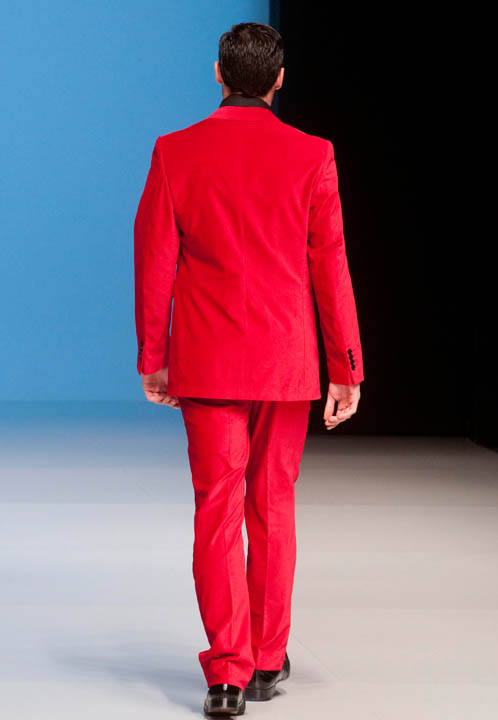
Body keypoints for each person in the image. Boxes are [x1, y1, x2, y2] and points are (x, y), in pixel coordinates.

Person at [134, 21, 364, 717]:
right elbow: (330, 264)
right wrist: (346, 366)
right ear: (279, 79)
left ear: (217, 74)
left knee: (217, 508)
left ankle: (228, 674)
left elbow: (154, 260)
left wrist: (153, 356)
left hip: (208, 359)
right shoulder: (312, 154)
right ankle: (266, 657)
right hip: (287, 359)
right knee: (273, 505)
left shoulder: (175, 151)